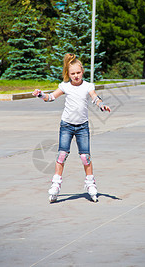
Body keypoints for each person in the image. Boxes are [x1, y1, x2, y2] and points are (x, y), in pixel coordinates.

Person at [33, 53, 111, 203]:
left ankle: (90, 183)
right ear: (68, 74)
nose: (76, 76)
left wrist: (101, 105)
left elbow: (95, 97)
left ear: (83, 72)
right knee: (61, 155)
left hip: (82, 127)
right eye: (73, 73)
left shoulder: (88, 86)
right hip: (66, 126)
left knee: (85, 157)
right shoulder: (65, 86)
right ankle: (56, 185)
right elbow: (50, 97)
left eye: (78, 73)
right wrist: (41, 94)